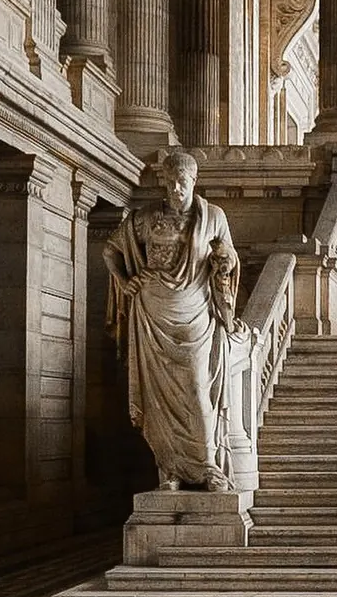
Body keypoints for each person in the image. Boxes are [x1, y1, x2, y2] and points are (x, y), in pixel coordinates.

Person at [104, 149, 245, 492]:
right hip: (152, 314)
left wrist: (224, 263)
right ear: (163, 182)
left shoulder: (213, 216)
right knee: (158, 399)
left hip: (196, 314)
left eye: (183, 181)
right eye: (170, 181)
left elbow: (228, 258)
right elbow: (111, 250)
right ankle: (169, 469)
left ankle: (207, 466)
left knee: (198, 389)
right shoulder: (145, 217)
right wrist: (125, 281)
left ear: (195, 181)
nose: (177, 188)